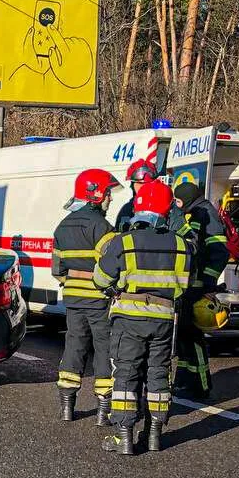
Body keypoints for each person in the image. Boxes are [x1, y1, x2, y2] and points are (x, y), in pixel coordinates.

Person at [93, 179, 194, 455]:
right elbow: (186, 284)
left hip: (129, 318)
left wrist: (117, 288)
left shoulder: (123, 242)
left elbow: (100, 279)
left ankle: (124, 437)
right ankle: (154, 435)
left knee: (126, 374)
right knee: (159, 374)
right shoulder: (181, 244)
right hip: (163, 319)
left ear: (138, 207)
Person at [52, 169, 121, 425]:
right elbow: (115, 263)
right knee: (103, 348)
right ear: (96, 194)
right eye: (108, 193)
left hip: (72, 298)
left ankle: (67, 407)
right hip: (98, 297)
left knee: (74, 347)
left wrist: (71, 284)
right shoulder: (102, 226)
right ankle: (103, 411)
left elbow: (57, 269)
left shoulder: (62, 225)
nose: (110, 199)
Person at [173, 180, 229, 398]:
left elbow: (219, 252)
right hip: (189, 286)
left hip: (198, 286)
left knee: (193, 336)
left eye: (178, 200)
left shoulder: (207, 214)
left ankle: (201, 386)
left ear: (187, 198)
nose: (177, 205)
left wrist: (208, 283)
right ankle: (186, 380)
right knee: (185, 336)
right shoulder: (195, 211)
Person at [115, 158, 158, 231]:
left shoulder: (165, 206)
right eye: (139, 183)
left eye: (147, 183)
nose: (143, 187)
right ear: (132, 185)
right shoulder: (127, 210)